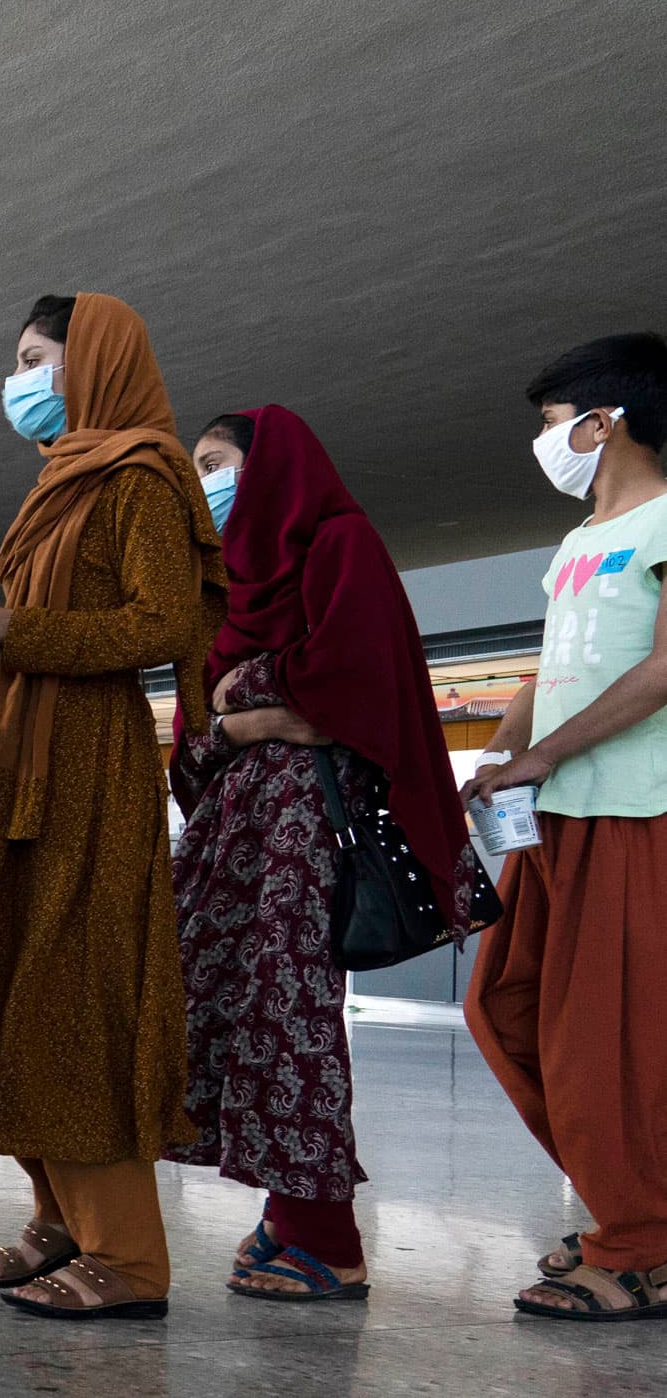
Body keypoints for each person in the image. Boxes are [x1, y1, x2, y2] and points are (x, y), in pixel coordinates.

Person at [0, 292, 223, 1321]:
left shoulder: (140, 476)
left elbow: (162, 619)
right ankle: (58, 1216)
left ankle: (129, 1257)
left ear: (88, 360)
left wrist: (17, 629)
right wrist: (2, 641)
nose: (17, 380)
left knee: (69, 997)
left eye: (32, 358)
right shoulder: (62, 480)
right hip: (20, 760)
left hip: (88, 769)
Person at [166, 406, 484, 1301]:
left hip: (307, 834)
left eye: (217, 462)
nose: (204, 483)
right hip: (233, 835)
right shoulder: (225, 583)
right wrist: (245, 713)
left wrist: (246, 701)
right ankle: (283, 1213)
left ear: (272, 469)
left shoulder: (340, 545)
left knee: (289, 1015)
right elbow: (198, 724)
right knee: (216, 1008)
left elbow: (348, 686)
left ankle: (327, 1238)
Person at [461, 331, 667, 1321]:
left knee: (606, 1046)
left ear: (606, 419)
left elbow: (666, 666)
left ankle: (637, 1246)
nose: (546, 443)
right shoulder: (578, 543)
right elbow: (544, 676)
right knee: (502, 1004)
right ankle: (633, 1210)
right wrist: (506, 750)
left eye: (553, 423)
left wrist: (548, 749)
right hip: (553, 814)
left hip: (638, 807)